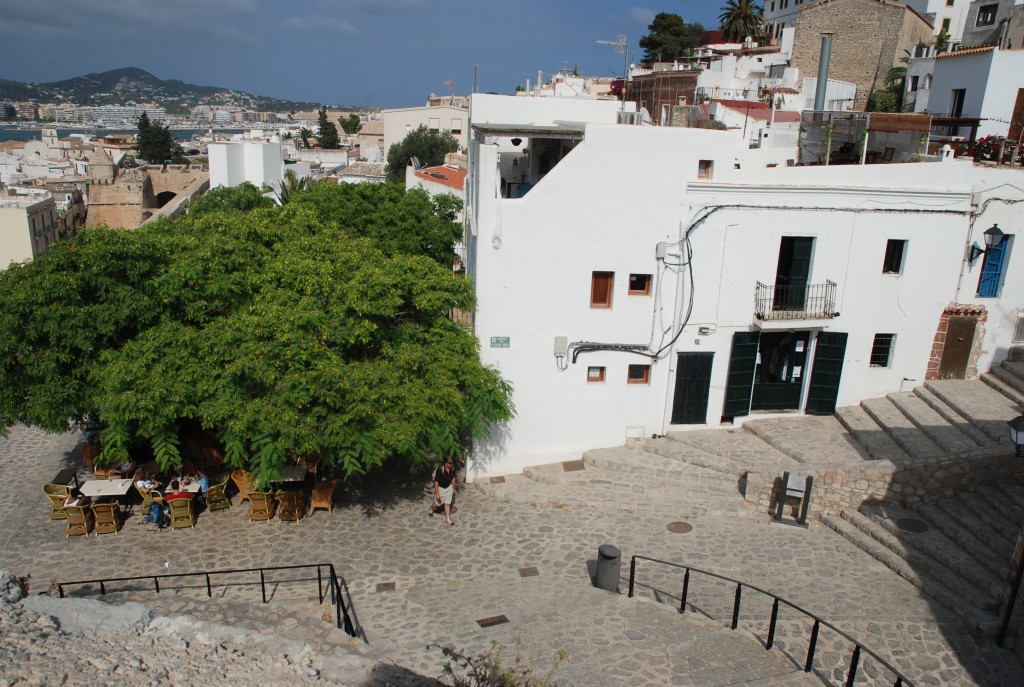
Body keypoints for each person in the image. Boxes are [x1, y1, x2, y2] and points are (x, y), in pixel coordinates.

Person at [426, 456, 457, 526]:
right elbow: (436, 482)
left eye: (452, 463)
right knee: (437, 504)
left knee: (447, 504)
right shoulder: (440, 470)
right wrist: (437, 494)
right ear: (445, 463)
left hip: (448, 488)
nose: (451, 464)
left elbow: (453, 478)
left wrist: (453, 487)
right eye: (450, 463)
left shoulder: (452, 468)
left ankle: (448, 519)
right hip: (441, 489)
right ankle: (431, 508)